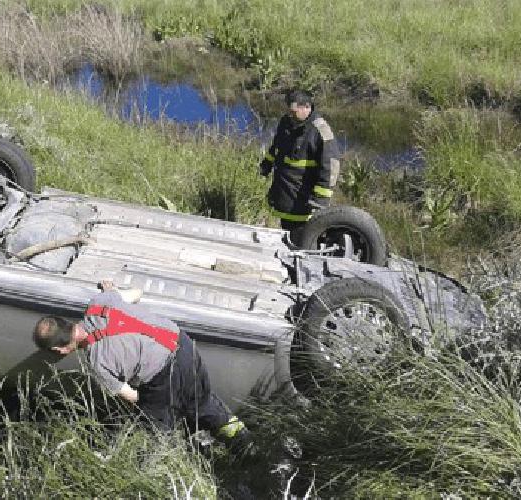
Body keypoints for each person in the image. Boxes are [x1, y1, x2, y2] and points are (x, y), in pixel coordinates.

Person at [32, 279, 253, 453]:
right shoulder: (101, 303)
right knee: (201, 402)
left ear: (60, 350)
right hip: (184, 345)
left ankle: (168, 466)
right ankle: (245, 444)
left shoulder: (97, 362)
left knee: (152, 431)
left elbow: (133, 397)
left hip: (164, 375)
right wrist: (113, 291)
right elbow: (137, 293)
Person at [258, 90, 344, 244]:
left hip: (303, 202)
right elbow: (277, 146)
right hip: (284, 195)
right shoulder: (286, 122)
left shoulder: (320, 130)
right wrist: (267, 164)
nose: (290, 115)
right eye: (288, 111)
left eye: (293, 112)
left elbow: (331, 166)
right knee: (286, 235)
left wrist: (320, 200)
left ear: (307, 107)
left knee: (301, 241)